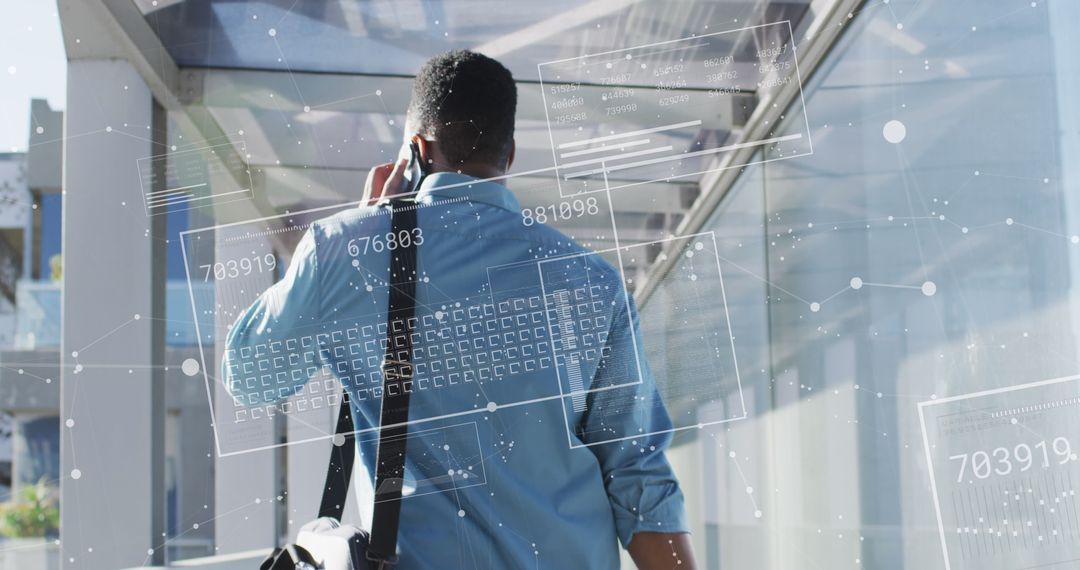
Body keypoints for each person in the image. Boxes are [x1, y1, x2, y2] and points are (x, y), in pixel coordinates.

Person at [224, 50, 697, 569]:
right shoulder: (591, 281)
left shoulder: (346, 254)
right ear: (509, 153)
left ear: (416, 153)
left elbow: (251, 377)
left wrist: (364, 227)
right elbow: (637, 476)